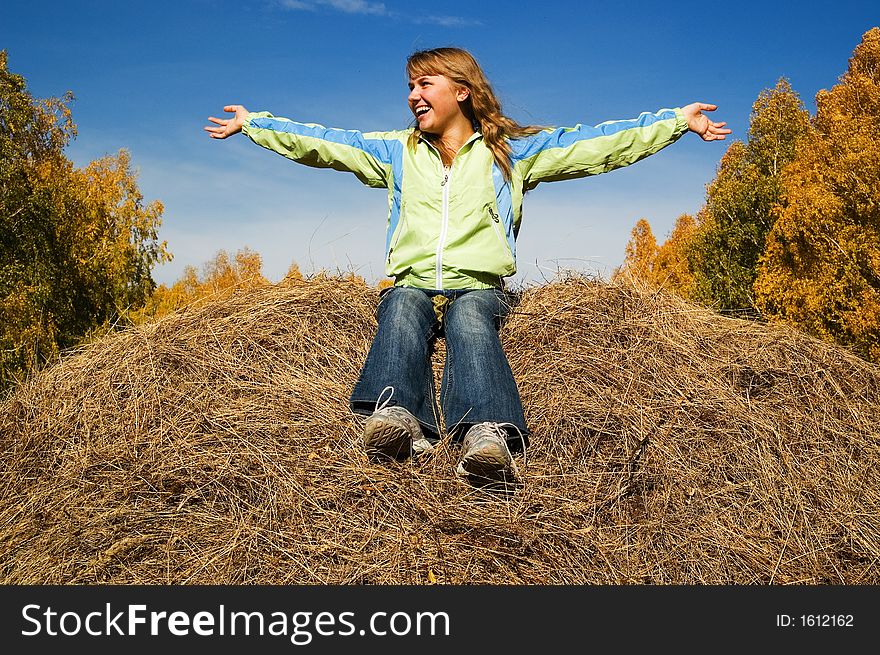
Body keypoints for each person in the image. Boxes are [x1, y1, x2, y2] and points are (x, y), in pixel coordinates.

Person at [204, 47, 730, 487]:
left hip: (479, 284)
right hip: (412, 278)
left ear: (460, 90)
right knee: (402, 306)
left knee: (471, 319)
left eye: (424, 83)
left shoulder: (510, 152)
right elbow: (325, 144)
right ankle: (393, 414)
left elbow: (595, 145)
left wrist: (675, 123)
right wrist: (256, 125)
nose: (413, 95)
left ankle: (486, 434)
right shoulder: (398, 152)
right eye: (409, 86)